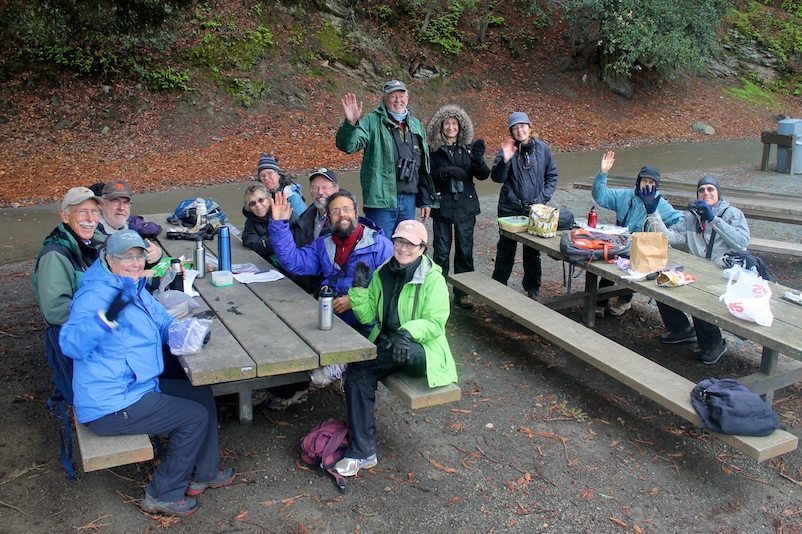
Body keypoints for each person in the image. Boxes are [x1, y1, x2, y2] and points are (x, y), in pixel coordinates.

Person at [59, 230, 235, 516]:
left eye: (139, 255)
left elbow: (161, 319)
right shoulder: (95, 295)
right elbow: (71, 345)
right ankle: (162, 494)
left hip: (137, 385)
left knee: (200, 392)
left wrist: (185, 330)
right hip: (111, 403)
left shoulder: (132, 287)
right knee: (193, 417)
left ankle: (205, 471)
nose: (135, 263)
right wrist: (105, 319)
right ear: (108, 258)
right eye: (126, 257)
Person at [334, 220, 457, 477]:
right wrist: (357, 290)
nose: (403, 248)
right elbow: (368, 317)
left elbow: (436, 323)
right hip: (390, 345)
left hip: (421, 352)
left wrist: (407, 332)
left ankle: (338, 369)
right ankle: (362, 451)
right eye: (399, 241)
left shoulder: (433, 279)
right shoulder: (382, 272)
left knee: (373, 360)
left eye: (411, 244)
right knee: (359, 373)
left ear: (422, 248)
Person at [645, 175, 750, 364]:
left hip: (723, 273)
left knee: (699, 298)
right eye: (701, 190)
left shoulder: (732, 214)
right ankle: (681, 330)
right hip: (697, 270)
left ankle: (714, 343)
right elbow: (669, 237)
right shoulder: (691, 216)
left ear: (718, 192)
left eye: (710, 189)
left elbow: (742, 243)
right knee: (662, 282)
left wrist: (713, 218)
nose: (706, 193)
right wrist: (653, 212)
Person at [267, 189, 393, 330]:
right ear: (328, 219)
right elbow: (294, 261)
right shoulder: (323, 244)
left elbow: (392, 288)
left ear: (356, 213)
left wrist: (354, 300)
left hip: (368, 320)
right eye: (335, 212)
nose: (342, 215)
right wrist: (279, 224)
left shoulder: (380, 245)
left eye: (347, 209)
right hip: (331, 313)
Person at [335, 80, 438, 237]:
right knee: (380, 249)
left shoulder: (416, 125)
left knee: (405, 247)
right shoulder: (371, 121)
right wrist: (351, 124)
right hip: (380, 202)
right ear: (384, 98)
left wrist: (425, 200)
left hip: (409, 200)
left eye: (401, 95)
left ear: (407, 98)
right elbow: (349, 145)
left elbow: (422, 166)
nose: (398, 100)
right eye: (393, 96)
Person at [592, 151, 683, 316]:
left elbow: (680, 221)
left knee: (633, 269)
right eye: (644, 181)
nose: (647, 185)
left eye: (651, 182)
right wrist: (603, 173)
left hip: (643, 251)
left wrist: (658, 221)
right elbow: (600, 196)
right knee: (607, 267)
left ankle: (624, 301)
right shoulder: (626, 195)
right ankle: (600, 302)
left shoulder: (660, 204)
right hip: (619, 244)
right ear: (638, 181)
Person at [426, 104, 490, 309]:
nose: (451, 127)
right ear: (441, 126)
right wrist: (445, 172)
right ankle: (438, 292)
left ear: (461, 126)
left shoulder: (469, 149)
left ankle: (463, 293)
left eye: (454, 123)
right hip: (443, 205)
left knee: (465, 250)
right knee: (441, 252)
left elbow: (483, 174)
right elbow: (427, 175)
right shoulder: (433, 151)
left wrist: (478, 161)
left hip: (465, 206)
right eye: (447, 123)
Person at [490, 112, 558, 300]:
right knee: (506, 249)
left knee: (533, 251)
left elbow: (551, 176)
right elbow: (496, 177)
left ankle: (532, 287)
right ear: (512, 131)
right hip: (509, 207)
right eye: (515, 127)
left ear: (529, 127)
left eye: (522, 126)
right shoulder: (507, 149)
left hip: (535, 208)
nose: (519, 130)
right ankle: (498, 285)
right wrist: (505, 159)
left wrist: (542, 197)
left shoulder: (542, 149)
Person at [96, 179, 163, 265]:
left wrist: (157, 253)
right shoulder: (92, 232)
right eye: (115, 201)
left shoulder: (129, 226)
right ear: (101, 204)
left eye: (126, 203)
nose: (121, 208)